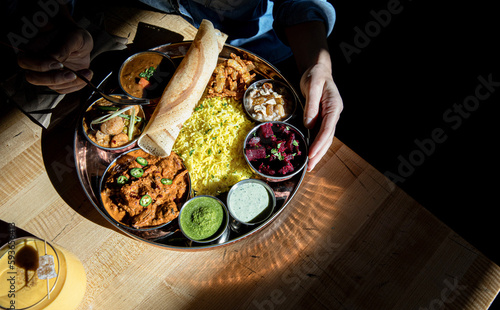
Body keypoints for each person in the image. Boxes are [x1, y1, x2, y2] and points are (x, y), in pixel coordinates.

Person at [3, 0, 343, 172]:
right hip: (138, 18)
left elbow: (299, 3)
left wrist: (317, 63)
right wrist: (52, 28)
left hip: (267, 46)